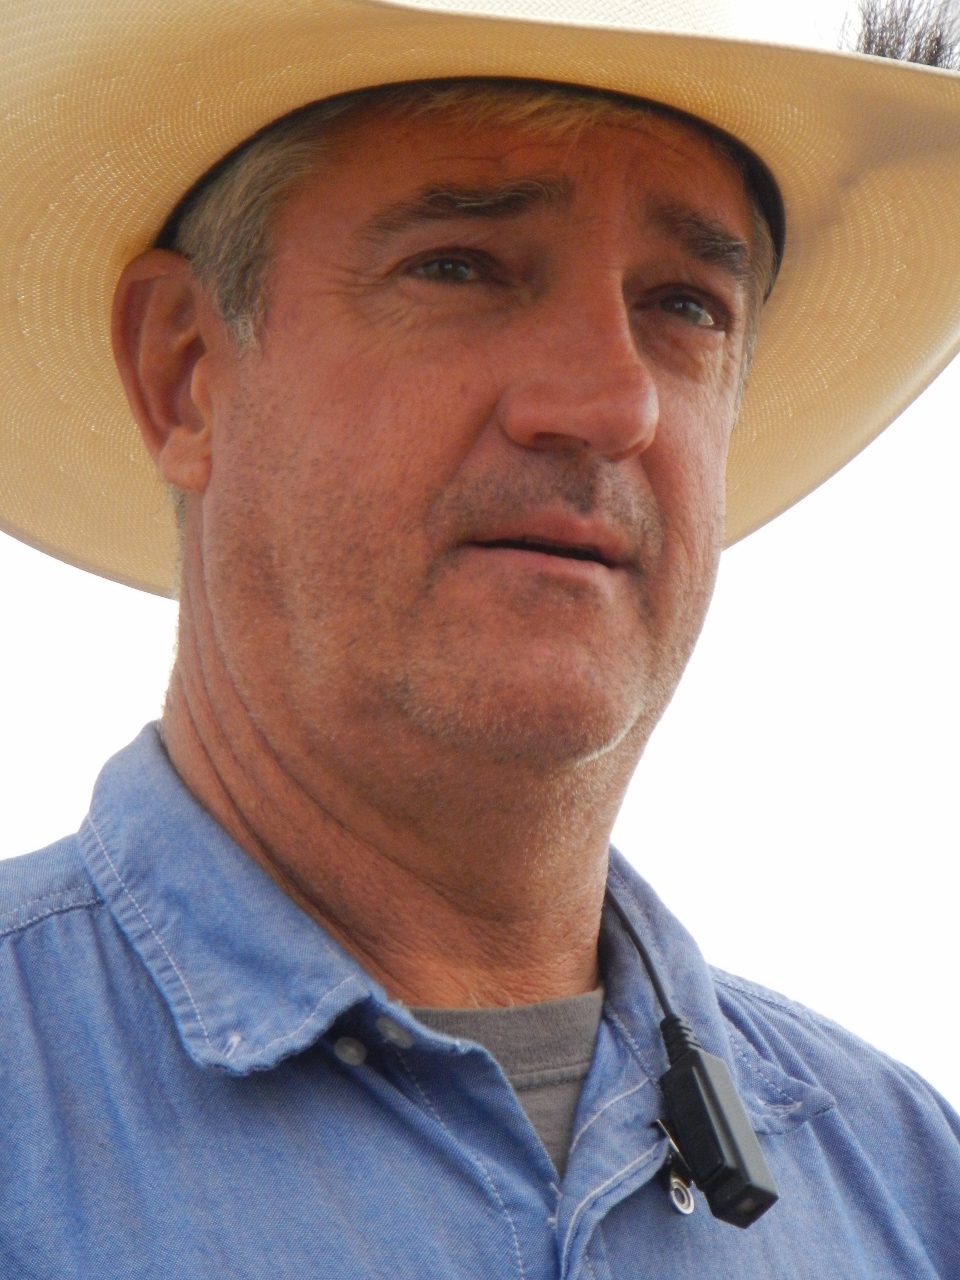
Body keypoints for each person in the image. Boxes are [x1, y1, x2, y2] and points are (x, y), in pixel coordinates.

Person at [1, 0, 959, 1275]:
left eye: (685, 303)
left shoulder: (913, 1187)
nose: (610, 401)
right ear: (184, 369)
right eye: (461, 266)